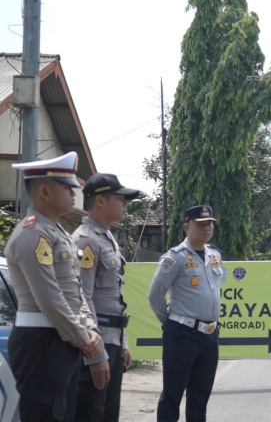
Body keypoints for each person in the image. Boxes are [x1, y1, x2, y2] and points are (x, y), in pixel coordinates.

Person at [5, 152, 105, 422]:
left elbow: (76, 290)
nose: (75, 193)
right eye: (67, 187)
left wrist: (86, 326)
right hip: (41, 341)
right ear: (45, 191)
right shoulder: (33, 233)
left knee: (63, 414)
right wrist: (85, 338)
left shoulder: (57, 232)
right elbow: (49, 300)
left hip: (62, 338)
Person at [148, 205, 226, 422]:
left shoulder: (215, 254)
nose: (206, 228)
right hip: (182, 333)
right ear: (186, 227)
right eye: (200, 224)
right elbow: (155, 295)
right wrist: (170, 322)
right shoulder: (174, 258)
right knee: (172, 395)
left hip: (210, 335)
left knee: (200, 397)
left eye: (209, 223)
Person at [73, 173, 140, 421]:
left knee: (108, 414)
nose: (126, 204)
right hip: (95, 342)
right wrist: (96, 351)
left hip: (112, 339)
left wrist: (122, 344)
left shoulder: (106, 236)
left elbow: (113, 297)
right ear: (100, 201)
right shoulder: (86, 240)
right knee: (92, 412)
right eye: (121, 199)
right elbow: (82, 297)